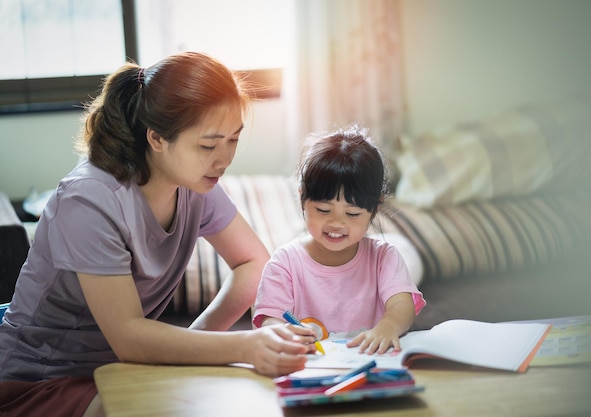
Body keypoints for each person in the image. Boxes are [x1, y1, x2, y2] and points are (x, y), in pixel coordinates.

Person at [0, 52, 315, 417]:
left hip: (121, 367)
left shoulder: (197, 186)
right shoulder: (89, 201)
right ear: (157, 139)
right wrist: (245, 346)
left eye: (233, 139)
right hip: (41, 378)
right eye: (208, 145)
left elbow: (254, 263)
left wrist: (196, 344)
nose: (224, 159)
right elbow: (129, 336)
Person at [253, 125, 426, 355]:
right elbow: (270, 321)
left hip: (369, 366)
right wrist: (285, 334)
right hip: (310, 370)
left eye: (352, 214)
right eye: (323, 210)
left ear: (374, 209)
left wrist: (388, 327)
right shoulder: (284, 262)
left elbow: (402, 306)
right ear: (302, 198)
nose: (337, 223)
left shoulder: (384, 257)